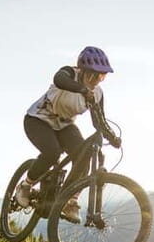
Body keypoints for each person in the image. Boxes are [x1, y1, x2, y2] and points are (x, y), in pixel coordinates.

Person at [16, 46, 121, 223]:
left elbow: (99, 121)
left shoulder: (97, 93)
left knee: (84, 155)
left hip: (64, 125)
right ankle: (25, 185)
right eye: (94, 75)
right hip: (38, 120)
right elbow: (58, 79)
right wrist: (81, 89)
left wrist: (112, 137)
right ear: (83, 70)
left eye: (102, 76)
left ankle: (69, 200)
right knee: (52, 153)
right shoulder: (69, 74)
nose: (97, 80)